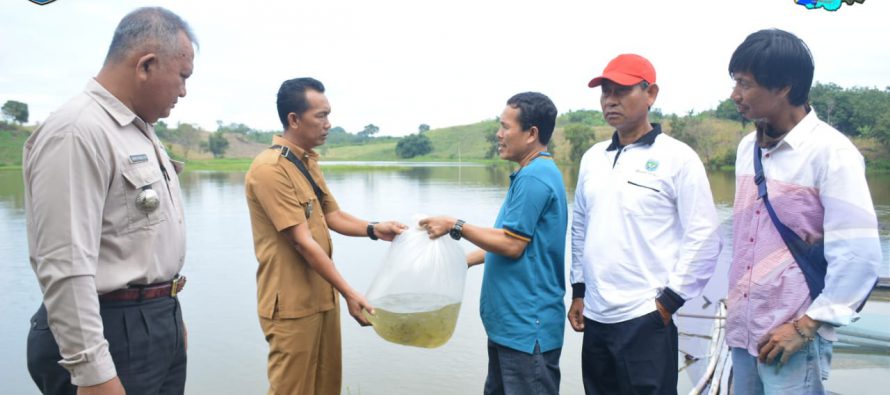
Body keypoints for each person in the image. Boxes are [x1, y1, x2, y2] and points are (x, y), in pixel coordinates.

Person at [23, 7, 197, 395]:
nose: (184, 91)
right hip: (109, 329)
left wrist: (168, 316)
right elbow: (65, 264)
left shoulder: (140, 132)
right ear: (146, 65)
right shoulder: (78, 132)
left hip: (154, 319)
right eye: (182, 77)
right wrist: (93, 373)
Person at [726, 29, 881, 394]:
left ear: (784, 86)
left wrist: (806, 326)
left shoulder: (831, 153)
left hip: (792, 339)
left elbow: (859, 256)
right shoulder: (748, 147)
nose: (735, 95)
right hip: (743, 330)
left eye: (745, 84)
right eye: (735, 83)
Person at [568, 54, 722, 395]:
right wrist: (578, 290)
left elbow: (706, 236)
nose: (610, 100)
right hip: (595, 317)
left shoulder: (678, 157)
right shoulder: (593, 158)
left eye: (621, 91)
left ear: (650, 94)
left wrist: (669, 301)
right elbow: (580, 227)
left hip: (646, 318)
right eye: (605, 91)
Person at [244, 77, 406, 395]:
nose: (328, 124)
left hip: (322, 298)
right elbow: (303, 242)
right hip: (291, 305)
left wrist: (374, 229)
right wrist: (350, 292)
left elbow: (333, 216)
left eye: (328, 115)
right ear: (294, 119)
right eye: (321, 116)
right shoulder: (269, 170)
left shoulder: (306, 161)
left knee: (326, 386)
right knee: (291, 389)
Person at [421, 92, 567, 395]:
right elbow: (511, 242)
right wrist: (463, 260)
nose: (498, 134)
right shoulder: (532, 173)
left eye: (505, 127)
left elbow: (511, 244)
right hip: (510, 329)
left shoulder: (534, 178)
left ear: (531, 134)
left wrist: (454, 225)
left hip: (527, 329)